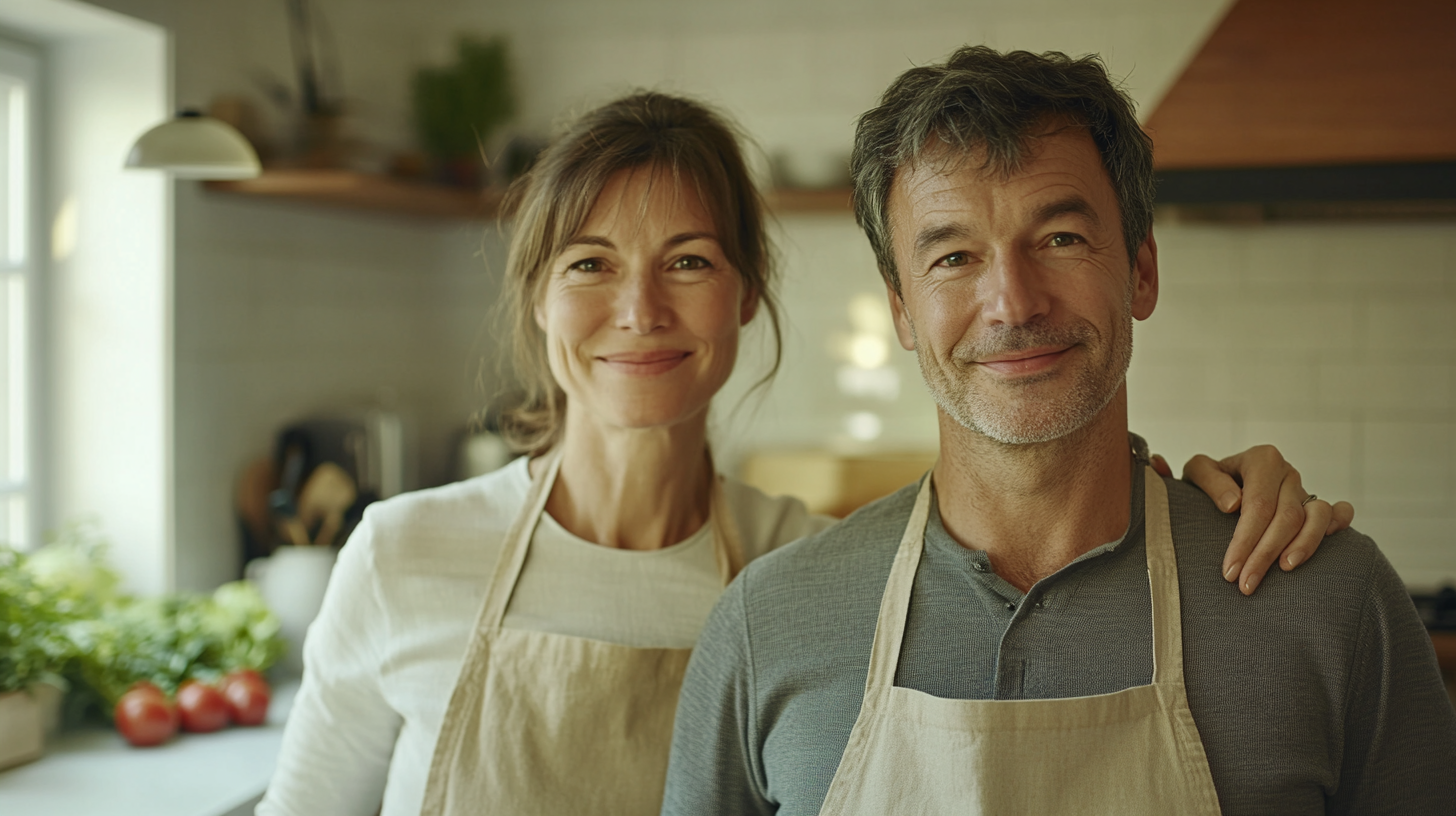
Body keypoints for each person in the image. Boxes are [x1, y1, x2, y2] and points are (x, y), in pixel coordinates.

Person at [255, 92, 1350, 816]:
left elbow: (1048, 515)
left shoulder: (806, 584)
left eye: (686, 260)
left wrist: (1197, 497)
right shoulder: (405, 555)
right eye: (590, 265)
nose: (638, 309)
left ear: (745, 296)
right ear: (538, 300)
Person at [661, 48, 1456, 816]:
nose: (1013, 301)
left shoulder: (1328, 599)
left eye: (1060, 240)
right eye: (954, 256)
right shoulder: (768, 624)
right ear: (902, 308)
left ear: (1141, 270)